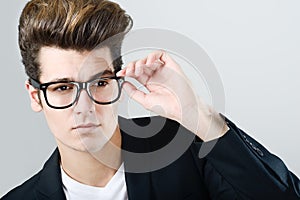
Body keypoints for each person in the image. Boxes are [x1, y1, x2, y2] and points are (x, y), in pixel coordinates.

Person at [1, 0, 300, 199]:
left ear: (118, 81)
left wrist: (198, 115)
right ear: (35, 96)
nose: (85, 107)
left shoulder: (182, 147)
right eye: (63, 88)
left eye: (100, 83)